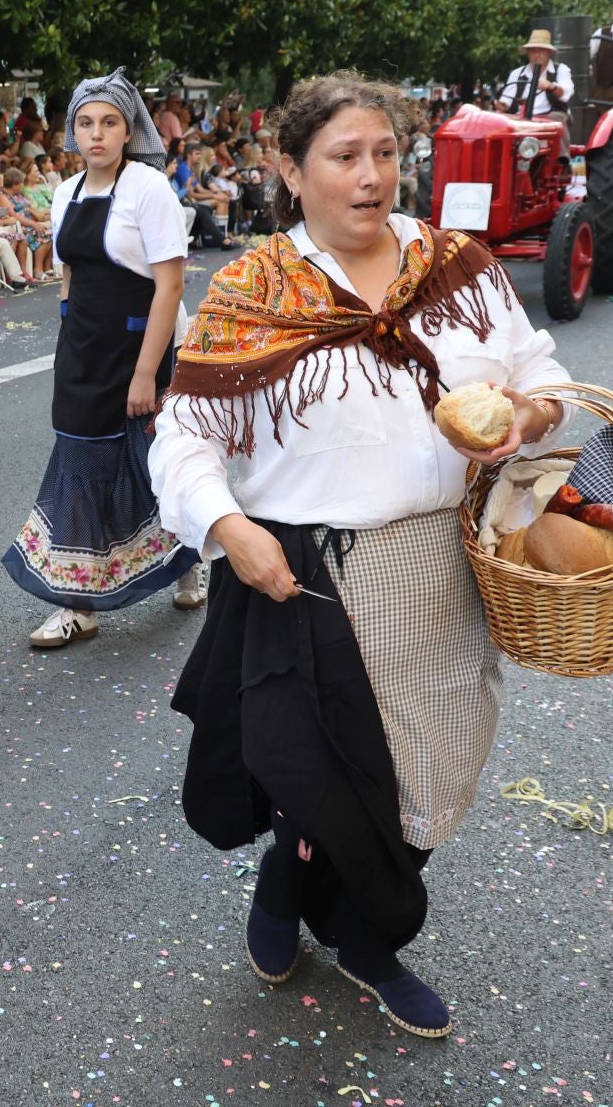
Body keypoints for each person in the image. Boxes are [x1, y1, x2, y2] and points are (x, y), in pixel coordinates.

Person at [149, 71, 571, 1040]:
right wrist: (229, 527)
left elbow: (542, 374)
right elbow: (183, 438)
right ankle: (366, 938)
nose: (373, 175)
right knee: (321, 777)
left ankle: (303, 892)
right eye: (345, 156)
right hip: (305, 575)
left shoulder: (458, 267)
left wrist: (530, 413)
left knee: (430, 772)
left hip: (441, 567)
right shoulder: (255, 290)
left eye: (386, 153)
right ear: (291, 171)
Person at [2, 68, 204, 648]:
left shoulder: (149, 189)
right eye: (85, 123)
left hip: (141, 347)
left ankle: (188, 562)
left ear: (128, 131)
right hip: (83, 350)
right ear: (72, 131)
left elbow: (169, 286)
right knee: (79, 462)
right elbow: (69, 274)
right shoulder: (66, 192)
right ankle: (79, 604)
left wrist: (146, 373)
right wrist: (69, 334)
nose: (96, 134)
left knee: (152, 463)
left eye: (109, 122)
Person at [498, 30, 574, 121]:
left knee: (556, 118)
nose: (537, 55)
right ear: (528, 52)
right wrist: (502, 105)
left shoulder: (561, 69)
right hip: (521, 118)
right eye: (533, 51)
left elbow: (565, 94)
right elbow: (506, 101)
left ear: (549, 52)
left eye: (541, 50)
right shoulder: (517, 73)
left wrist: (551, 87)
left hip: (549, 117)